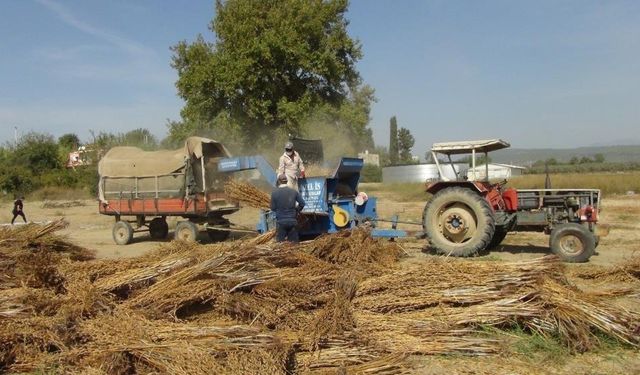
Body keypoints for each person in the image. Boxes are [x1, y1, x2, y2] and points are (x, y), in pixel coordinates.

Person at [270, 174, 305, 243]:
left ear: (278, 181)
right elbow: (302, 203)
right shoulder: (293, 192)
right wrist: (296, 210)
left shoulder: (274, 193)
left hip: (281, 222)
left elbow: (272, 208)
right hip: (292, 221)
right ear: (287, 181)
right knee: (293, 244)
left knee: (280, 245)